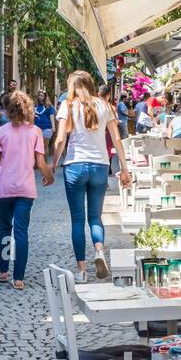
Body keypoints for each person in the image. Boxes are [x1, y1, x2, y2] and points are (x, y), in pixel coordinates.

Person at [51, 70, 132, 282]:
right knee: (95, 216)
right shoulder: (105, 106)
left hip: (75, 166)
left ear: (72, 86)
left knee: (77, 220)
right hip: (99, 166)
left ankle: (82, 271)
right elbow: (116, 139)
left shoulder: (67, 105)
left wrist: (53, 164)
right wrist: (124, 169)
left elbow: (60, 139)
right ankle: (99, 251)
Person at [0, 91, 53, 290]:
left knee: (5, 228)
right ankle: (19, 278)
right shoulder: (35, 132)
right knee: (22, 231)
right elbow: (41, 162)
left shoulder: (1, 132)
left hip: (4, 187)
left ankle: (4, 270)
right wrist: (49, 177)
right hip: (25, 187)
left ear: (8, 109)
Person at [34, 90, 56, 156]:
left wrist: (53, 126)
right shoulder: (34, 106)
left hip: (46, 128)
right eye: (39, 95)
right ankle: (37, 164)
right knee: (36, 147)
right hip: (36, 128)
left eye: (42, 96)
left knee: (44, 147)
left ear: (45, 97)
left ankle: (45, 164)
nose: (40, 97)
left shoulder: (49, 106)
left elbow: (51, 116)